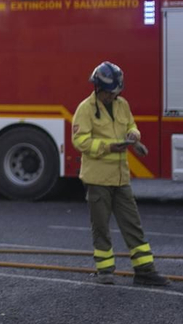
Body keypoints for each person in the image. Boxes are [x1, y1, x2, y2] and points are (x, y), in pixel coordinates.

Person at [71, 61, 171, 287]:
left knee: (132, 224)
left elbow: (130, 125)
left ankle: (145, 271)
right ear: (98, 88)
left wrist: (134, 137)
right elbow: (80, 141)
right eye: (108, 92)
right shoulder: (85, 109)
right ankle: (105, 271)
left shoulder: (121, 104)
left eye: (115, 92)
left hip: (120, 178)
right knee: (101, 226)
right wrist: (109, 147)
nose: (111, 96)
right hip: (97, 180)